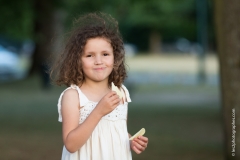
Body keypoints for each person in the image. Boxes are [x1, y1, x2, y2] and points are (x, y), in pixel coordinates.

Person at [50, 12, 148, 160]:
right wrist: (98, 111)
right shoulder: (73, 96)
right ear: (77, 60)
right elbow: (71, 144)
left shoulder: (120, 92)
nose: (99, 61)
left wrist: (130, 141)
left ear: (115, 57)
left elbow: (116, 131)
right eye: (90, 55)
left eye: (105, 54)